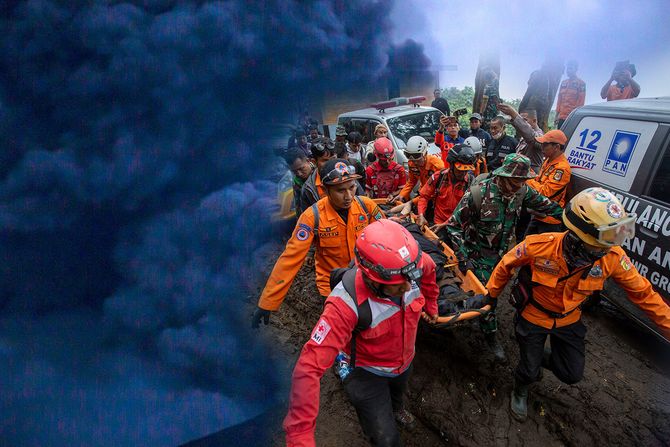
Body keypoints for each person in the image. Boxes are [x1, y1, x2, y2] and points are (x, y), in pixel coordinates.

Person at [485, 188, 670, 422]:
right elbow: (505, 265)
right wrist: (491, 296)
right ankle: (521, 388)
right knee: (529, 371)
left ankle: (536, 357)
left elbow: (644, 294)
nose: (611, 245)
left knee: (571, 373)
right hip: (534, 315)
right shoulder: (539, 246)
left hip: (568, 319)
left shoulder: (612, 258)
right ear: (580, 234)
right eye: (607, 238)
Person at [283, 220, 439, 446]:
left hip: (403, 362)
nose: (407, 288)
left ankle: (396, 409)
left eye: (411, 279)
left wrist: (431, 303)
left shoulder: (410, 268)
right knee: (385, 439)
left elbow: (430, 269)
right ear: (372, 279)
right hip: (366, 372)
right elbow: (308, 368)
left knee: (398, 392)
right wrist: (299, 434)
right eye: (397, 285)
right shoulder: (344, 306)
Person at [446, 153, 563, 359]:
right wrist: (463, 257)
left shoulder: (523, 192)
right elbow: (453, 227)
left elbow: (547, 206)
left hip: (503, 256)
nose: (517, 186)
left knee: (499, 292)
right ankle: (490, 335)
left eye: (522, 182)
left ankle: (480, 314)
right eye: (514, 181)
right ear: (503, 176)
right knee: (488, 296)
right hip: (477, 255)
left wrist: (573, 220)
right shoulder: (478, 194)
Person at [252, 159, 384, 328]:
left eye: (352, 187)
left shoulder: (367, 207)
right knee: (339, 330)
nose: (349, 196)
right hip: (333, 288)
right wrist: (268, 302)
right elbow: (289, 259)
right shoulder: (312, 217)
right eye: (340, 190)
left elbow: (386, 238)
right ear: (325, 190)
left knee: (368, 327)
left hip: (365, 281)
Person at [417, 144, 475, 236]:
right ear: (451, 165)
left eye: (466, 170)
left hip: (459, 226)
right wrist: (421, 215)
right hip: (438, 223)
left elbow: (469, 211)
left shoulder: (471, 183)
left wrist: (446, 223)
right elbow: (424, 197)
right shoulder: (438, 177)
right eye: (460, 170)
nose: (463, 173)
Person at [525, 130, 572, 235]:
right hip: (539, 213)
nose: (541, 147)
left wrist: (526, 179)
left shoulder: (562, 168)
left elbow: (545, 192)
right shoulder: (548, 160)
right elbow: (539, 181)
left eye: (545, 145)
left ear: (557, 147)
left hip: (550, 219)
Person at [391, 135, 444, 203]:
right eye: (412, 160)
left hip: (437, 196)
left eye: (418, 160)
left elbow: (439, 189)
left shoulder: (437, 166)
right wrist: (402, 194)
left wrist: (412, 202)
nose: (415, 163)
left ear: (424, 154)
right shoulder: (411, 163)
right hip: (423, 192)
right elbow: (412, 181)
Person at [497, 103, 544, 177]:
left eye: (524, 120)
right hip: (519, 176)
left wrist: (514, 114)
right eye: (520, 120)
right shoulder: (523, 137)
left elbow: (531, 136)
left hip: (531, 178)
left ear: (534, 121)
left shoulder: (540, 137)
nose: (521, 122)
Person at [301, 137, 337, 210]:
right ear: (314, 162)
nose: (331, 164)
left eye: (333, 159)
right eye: (325, 160)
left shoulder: (347, 175)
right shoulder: (308, 188)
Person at [283, 147, 315, 216]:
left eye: (301, 169)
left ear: (308, 161)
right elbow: (298, 205)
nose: (299, 174)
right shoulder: (296, 182)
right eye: (294, 171)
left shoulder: (320, 172)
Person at [555, 60, 586, 129]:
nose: (568, 70)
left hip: (571, 117)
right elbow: (559, 100)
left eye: (570, 68)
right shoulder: (563, 83)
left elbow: (581, 102)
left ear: (576, 69)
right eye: (567, 68)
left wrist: (575, 117)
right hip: (561, 116)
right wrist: (556, 115)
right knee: (559, 137)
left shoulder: (581, 84)